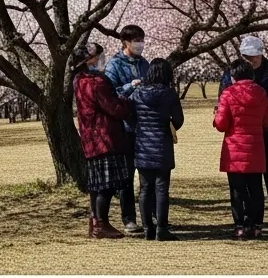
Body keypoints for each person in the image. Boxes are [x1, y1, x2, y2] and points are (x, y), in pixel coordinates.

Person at [219, 35, 268, 234]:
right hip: (242, 134)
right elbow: (224, 97)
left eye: (254, 57)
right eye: (247, 57)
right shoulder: (232, 72)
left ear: (261, 55)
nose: (251, 61)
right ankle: (248, 220)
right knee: (249, 179)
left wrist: (260, 108)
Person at [72, 42, 132, 239]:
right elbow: (114, 108)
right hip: (105, 137)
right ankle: (101, 224)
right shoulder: (96, 82)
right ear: (89, 60)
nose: (101, 60)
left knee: (96, 184)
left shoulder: (78, 80)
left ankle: (95, 221)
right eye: (98, 56)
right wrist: (127, 101)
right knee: (107, 184)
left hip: (91, 139)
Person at [213, 58, 268, 240]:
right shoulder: (261, 93)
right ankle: (256, 226)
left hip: (235, 149)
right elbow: (267, 121)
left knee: (237, 190)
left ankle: (240, 226)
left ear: (233, 76)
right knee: (256, 188)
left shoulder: (228, 94)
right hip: (255, 147)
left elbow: (222, 124)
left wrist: (216, 116)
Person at [130, 57, 184, 241]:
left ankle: (147, 229)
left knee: (145, 188)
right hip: (162, 145)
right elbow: (179, 119)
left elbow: (129, 116)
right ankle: (162, 228)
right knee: (162, 189)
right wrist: (168, 125)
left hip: (143, 144)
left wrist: (140, 127)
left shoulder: (137, 93)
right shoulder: (169, 93)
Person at [104, 24, 150, 234]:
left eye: (142, 39)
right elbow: (109, 92)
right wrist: (131, 86)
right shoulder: (114, 65)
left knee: (147, 173)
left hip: (144, 125)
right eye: (136, 40)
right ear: (126, 42)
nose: (140, 44)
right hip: (124, 127)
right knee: (126, 175)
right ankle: (129, 218)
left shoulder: (145, 64)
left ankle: (150, 216)